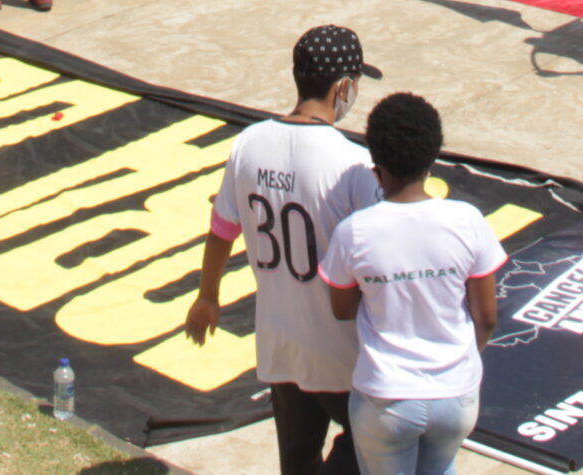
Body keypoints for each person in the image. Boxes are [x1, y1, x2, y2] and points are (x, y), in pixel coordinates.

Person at [185, 25, 385, 475]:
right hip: (342, 354)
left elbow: (221, 229)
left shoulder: (249, 143)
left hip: (281, 345)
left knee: (296, 460)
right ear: (343, 88)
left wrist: (207, 296)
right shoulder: (352, 163)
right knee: (371, 450)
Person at [320, 92, 504, 475]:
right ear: (432, 160)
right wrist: (463, 362)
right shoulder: (467, 221)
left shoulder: (354, 232)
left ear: (376, 168)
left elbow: (342, 308)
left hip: (386, 399)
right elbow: (486, 316)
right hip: (455, 396)